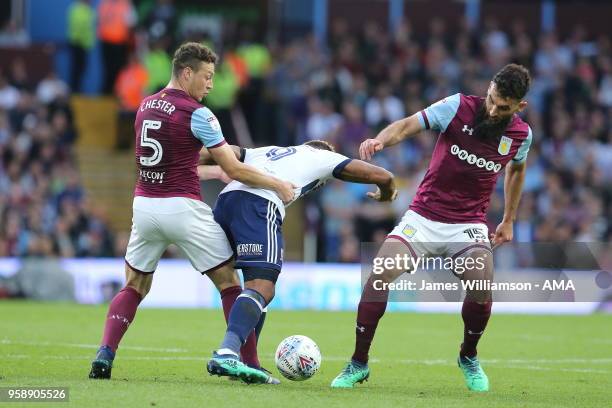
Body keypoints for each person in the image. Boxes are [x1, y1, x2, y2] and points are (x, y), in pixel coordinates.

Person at [88, 42, 295, 380]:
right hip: (183, 209)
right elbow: (237, 168)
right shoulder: (199, 114)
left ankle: (104, 355)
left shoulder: (144, 105)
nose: (211, 84)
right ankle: (250, 365)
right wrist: (277, 184)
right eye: (207, 76)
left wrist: (212, 172)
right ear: (187, 73)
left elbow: (167, 160)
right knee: (230, 282)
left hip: (144, 207)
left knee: (134, 285)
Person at [330, 63, 533, 391]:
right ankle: (358, 363)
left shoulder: (521, 135)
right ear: (489, 88)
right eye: (492, 99)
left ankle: (468, 356)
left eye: (504, 107)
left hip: (467, 225)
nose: (494, 109)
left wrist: (508, 219)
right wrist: (381, 141)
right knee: (380, 273)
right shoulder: (456, 107)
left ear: (520, 106)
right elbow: (409, 125)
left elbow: (517, 171)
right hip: (423, 217)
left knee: (482, 285)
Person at [198, 140, 398, 384]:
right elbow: (384, 176)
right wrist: (386, 194)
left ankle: (249, 365)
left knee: (249, 287)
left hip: (225, 203)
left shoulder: (266, 151)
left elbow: (218, 152)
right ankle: (227, 352)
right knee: (262, 287)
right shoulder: (324, 157)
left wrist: (177, 156)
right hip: (259, 203)